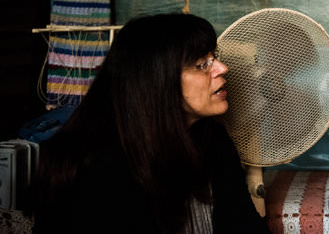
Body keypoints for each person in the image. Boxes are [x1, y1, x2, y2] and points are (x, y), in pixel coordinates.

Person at [31, 13, 270, 234]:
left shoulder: (212, 140)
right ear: (157, 81)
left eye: (213, 57)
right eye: (202, 64)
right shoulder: (93, 166)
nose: (222, 68)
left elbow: (245, 227)